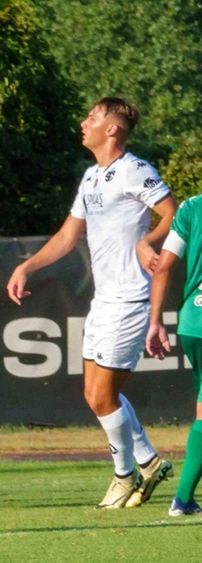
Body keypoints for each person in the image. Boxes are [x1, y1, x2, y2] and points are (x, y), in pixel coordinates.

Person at [8, 97, 176, 509]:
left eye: (93, 117)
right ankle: (149, 462)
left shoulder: (135, 169)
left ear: (113, 129)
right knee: (95, 394)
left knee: (102, 396)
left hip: (130, 299)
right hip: (104, 300)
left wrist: (147, 241)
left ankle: (125, 475)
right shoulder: (91, 177)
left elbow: (172, 213)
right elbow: (68, 237)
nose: (84, 123)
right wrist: (26, 266)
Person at [146, 193, 202, 516]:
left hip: (193, 323)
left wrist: (155, 321)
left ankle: (184, 499)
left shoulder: (192, 207)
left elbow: (164, 265)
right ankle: (181, 499)